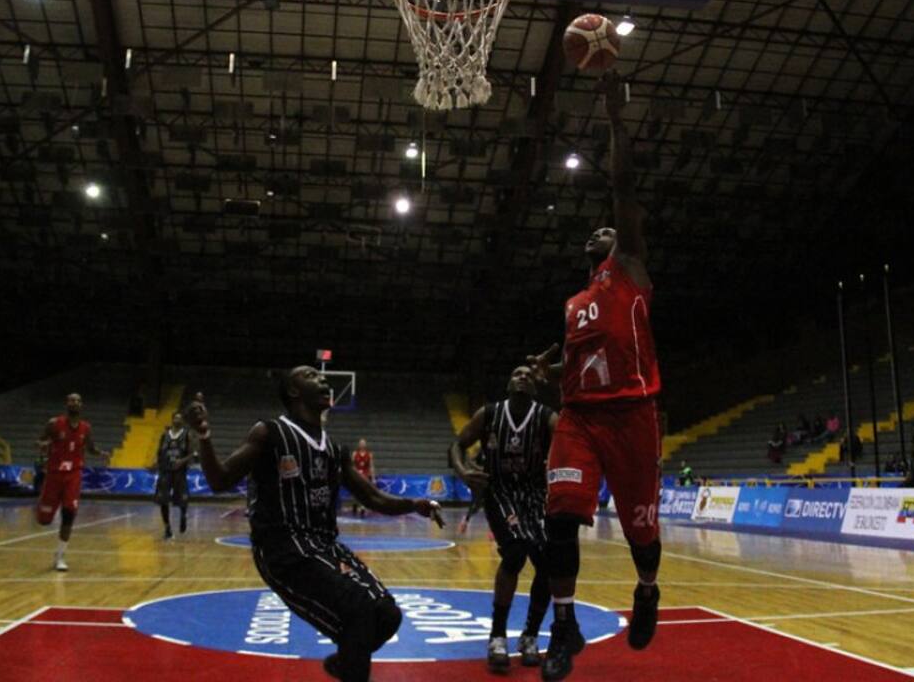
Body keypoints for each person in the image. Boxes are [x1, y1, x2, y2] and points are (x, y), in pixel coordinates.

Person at [525, 73, 663, 681]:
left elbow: (624, 187)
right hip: (579, 418)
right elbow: (581, 359)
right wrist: (548, 370)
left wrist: (614, 117)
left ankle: (648, 588)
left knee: (640, 533)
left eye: (606, 229)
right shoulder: (574, 301)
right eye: (596, 233)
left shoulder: (628, 267)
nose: (598, 231)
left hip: (632, 413)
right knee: (559, 518)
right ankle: (564, 626)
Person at [186, 368, 445, 682]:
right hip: (283, 549)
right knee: (359, 609)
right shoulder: (269, 433)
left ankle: (345, 663)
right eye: (310, 375)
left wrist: (413, 505)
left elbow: (373, 497)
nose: (322, 379)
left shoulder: (334, 449)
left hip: (325, 546)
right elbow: (219, 480)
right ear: (293, 391)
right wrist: (204, 436)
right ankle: (351, 667)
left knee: (387, 614)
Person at [450, 365, 557, 671]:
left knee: (547, 563)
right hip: (499, 491)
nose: (522, 376)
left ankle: (530, 635)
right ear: (508, 383)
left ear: (535, 387)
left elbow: (571, 443)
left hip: (535, 494)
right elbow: (457, 444)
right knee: (515, 553)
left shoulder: (547, 417)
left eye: (528, 375)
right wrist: (463, 471)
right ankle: (497, 635)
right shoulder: (489, 414)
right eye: (516, 373)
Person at [36, 392, 109, 571]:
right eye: (71, 400)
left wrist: (101, 453)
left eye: (77, 401)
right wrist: (43, 447)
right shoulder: (54, 423)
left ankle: (60, 556)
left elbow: (90, 448)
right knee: (44, 520)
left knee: (69, 514)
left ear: (81, 405)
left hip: (73, 475)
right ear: (67, 404)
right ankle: (45, 510)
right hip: (54, 475)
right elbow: (39, 440)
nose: (74, 403)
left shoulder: (86, 428)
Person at [152, 412, 195, 539]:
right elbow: (159, 452)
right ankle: (167, 528)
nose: (177, 420)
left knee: (182, 499)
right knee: (163, 500)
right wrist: (155, 463)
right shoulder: (164, 435)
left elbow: (192, 454)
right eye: (175, 417)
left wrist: (182, 461)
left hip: (179, 471)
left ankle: (183, 516)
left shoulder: (187, 435)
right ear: (172, 419)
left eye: (180, 418)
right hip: (165, 470)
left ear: (183, 421)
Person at [350, 439, 376, 517]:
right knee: (356, 492)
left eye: (363, 443)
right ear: (359, 445)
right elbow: (351, 465)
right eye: (361, 443)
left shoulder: (369, 454)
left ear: (365, 445)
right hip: (357, 475)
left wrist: (373, 478)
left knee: (364, 492)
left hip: (365, 476)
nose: (362, 445)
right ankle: (355, 505)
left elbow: (371, 466)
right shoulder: (355, 454)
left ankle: (362, 508)